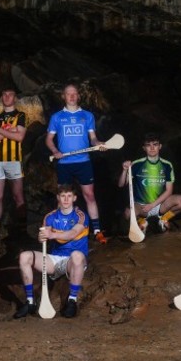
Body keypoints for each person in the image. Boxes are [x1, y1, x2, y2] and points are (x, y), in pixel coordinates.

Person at [14, 184, 88, 319]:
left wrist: (52, 235)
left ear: (74, 198)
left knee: (76, 255)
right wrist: (41, 237)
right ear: (58, 198)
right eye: (63, 196)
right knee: (24, 257)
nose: (66, 200)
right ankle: (30, 301)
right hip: (54, 260)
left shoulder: (80, 215)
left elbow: (72, 233)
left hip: (72, 261)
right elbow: (42, 236)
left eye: (69, 196)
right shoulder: (50, 217)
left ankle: (72, 300)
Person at [45, 83, 107, 244]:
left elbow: (92, 138)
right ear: (63, 97)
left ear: (78, 96)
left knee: (89, 195)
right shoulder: (57, 117)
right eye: (68, 94)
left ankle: (97, 230)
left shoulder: (87, 116)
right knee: (63, 198)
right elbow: (49, 140)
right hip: (64, 163)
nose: (72, 97)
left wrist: (98, 143)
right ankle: (61, 230)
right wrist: (54, 151)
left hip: (83, 162)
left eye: (74, 94)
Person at [118, 133, 181, 233]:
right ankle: (142, 220)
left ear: (160, 146)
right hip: (142, 206)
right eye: (148, 145)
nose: (152, 148)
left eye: (155, 144)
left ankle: (164, 219)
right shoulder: (136, 164)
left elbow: (169, 191)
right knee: (128, 213)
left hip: (161, 205)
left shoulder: (167, 165)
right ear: (144, 148)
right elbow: (121, 184)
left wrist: (152, 205)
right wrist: (124, 170)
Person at [0, 88, 27, 240]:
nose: (7, 97)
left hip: (14, 161)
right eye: (4, 94)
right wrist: (10, 131)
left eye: (10, 94)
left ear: (15, 98)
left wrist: (0, 131)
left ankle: (23, 229)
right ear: (2, 97)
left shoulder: (20, 115)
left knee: (18, 195)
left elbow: (20, 137)